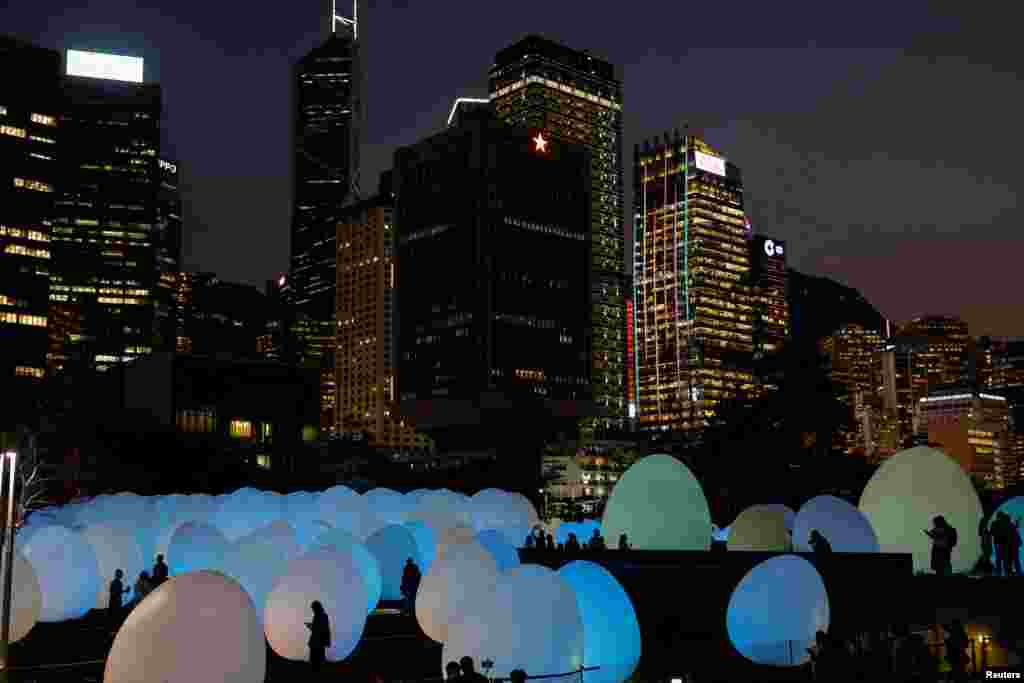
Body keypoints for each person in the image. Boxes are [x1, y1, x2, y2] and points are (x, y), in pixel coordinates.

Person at [306, 601, 331, 673]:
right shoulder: (322, 615)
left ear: (316, 608)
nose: (313, 610)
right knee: (318, 660)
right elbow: (324, 629)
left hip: (317, 641)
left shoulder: (319, 616)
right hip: (319, 641)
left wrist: (310, 626)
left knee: (316, 660)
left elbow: (319, 629)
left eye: (313, 608)